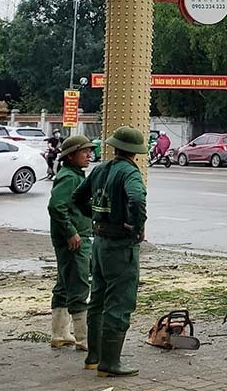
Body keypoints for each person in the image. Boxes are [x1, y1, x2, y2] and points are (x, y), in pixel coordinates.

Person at [72, 126, 148, 378]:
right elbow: (136, 200)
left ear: (115, 146)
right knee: (120, 303)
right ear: (135, 152)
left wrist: (95, 216)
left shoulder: (100, 169)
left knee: (98, 299)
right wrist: (135, 225)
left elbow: (78, 197)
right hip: (121, 246)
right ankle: (110, 363)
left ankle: (94, 356)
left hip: (100, 242)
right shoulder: (130, 173)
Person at [47, 135, 94, 351]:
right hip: (74, 240)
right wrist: (71, 232)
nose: (89, 155)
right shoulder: (69, 178)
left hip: (69, 238)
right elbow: (56, 206)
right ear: (71, 155)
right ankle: (84, 339)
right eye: (84, 151)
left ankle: (60, 334)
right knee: (79, 284)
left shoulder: (71, 175)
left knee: (64, 284)